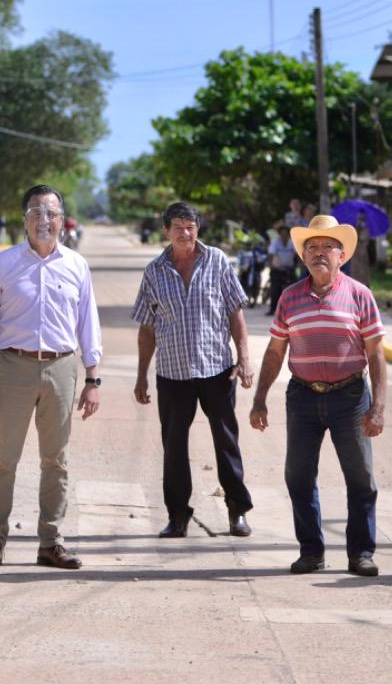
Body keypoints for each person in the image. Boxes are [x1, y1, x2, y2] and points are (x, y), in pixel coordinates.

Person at [0, 184, 102, 570]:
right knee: (4, 459)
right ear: (24, 219)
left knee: (56, 461)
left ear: (62, 220)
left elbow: (88, 325)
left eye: (51, 213)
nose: (44, 220)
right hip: (14, 367)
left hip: (62, 368)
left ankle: (51, 542)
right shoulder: (3, 263)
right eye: (36, 212)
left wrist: (93, 379)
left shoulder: (76, 265)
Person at [249, 214, 387, 577]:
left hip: (351, 396)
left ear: (342, 255)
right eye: (312, 247)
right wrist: (260, 398)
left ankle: (361, 553)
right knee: (298, 475)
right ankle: (311, 551)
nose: (320, 253)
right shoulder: (289, 297)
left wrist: (378, 407)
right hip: (303, 397)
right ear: (303, 256)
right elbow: (276, 351)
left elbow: (375, 353)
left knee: (360, 477)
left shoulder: (360, 295)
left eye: (328, 247)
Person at [131, 202, 254, 539]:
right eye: (178, 227)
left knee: (226, 442)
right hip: (172, 374)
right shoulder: (154, 272)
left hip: (217, 369)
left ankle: (237, 511)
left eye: (191, 226)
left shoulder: (217, 261)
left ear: (198, 228)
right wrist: (142, 374)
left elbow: (235, 313)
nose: (185, 233)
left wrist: (243, 357)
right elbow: (147, 327)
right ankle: (178, 516)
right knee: (173, 447)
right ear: (166, 231)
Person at [265, 225, 296, 315]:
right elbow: (271, 255)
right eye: (282, 234)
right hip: (277, 269)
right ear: (279, 235)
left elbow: (296, 255)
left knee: (292, 290)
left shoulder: (292, 242)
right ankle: (272, 310)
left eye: (286, 234)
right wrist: (271, 266)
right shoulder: (275, 242)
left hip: (289, 269)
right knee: (275, 290)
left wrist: (298, 265)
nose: (284, 236)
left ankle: (291, 310)